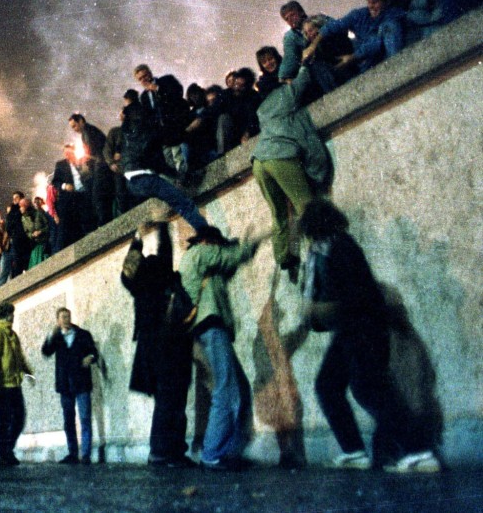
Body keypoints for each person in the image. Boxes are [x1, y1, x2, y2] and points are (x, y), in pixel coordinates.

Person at [300, 199, 441, 473]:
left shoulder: (340, 247)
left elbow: (356, 298)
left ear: (315, 224)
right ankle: (354, 451)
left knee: (369, 389)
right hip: (349, 330)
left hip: (364, 328)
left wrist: (319, 308)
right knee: (328, 385)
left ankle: (418, 451)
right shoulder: (324, 250)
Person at [179, 226, 267, 471]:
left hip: (212, 330)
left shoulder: (206, 265)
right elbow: (230, 257)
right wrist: (253, 242)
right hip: (211, 328)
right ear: (209, 241)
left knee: (240, 388)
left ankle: (231, 450)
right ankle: (212, 453)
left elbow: (229, 265)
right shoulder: (200, 252)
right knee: (226, 390)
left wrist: (243, 249)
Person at [121, 222, 196, 468]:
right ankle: (166, 452)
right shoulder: (162, 276)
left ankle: (166, 451)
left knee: (167, 401)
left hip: (150, 346)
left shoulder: (137, 284)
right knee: (173, 400)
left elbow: (128, 269)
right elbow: (166, 251)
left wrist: (137, 240)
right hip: (170, 343)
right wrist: (162, 226)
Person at [251, 64, 333, 279]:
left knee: (278, 213)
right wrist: (305, 63)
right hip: (280, 156)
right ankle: (321, 252)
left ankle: (285, 257)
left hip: (259, 162)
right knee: (305, 205)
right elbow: (304, 79)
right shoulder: (284, 94)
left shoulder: (261, 110)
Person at [122, 66, 208, 233]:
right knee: (169, 160)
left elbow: (177, 94)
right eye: (140, 78)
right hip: (159, 137)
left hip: (174, 127)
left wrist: (158, 89)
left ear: (150, 73)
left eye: (145, 75)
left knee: (180, 156)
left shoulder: (166, 81)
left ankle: (185, 181)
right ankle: (180, 183)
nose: (144, 79)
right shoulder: (144, 98)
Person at [303, 0, 405, 74]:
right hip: (365, 61)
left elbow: (375, 43)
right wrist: (313, 45)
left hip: (383, 56)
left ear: (386, 2)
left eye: (375, 2)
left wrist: (353, 57)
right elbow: (335, 25)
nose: (371, 6)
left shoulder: (393, 15)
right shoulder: (360, 14)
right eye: (369, 2)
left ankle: (396, 68)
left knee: (390, 27)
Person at [41, 308, 98, 465]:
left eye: (68, 316)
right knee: (68, 420)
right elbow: (46, 352)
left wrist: (90, 357)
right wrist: (51, 335)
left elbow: (94, 352)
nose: (66, 319)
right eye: (63, 317)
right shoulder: (57, 338)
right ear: (58, 320)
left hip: (82, 383)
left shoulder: (83, 334)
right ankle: (72, 453)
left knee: (85, 418)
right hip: (65, 385)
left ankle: (85, 454)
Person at [0, 301, 32, 468]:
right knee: (2, 421)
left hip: (14, 384)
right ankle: (2, 455)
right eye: (11, 313)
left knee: (18, 418)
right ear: (5, 315)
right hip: (2, 386)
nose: (13, 316)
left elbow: (19, 358)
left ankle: (7, 450)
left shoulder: (13, 335)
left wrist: (28, 373)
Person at [68, 114, 114, 226]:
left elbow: (92, 151)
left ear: (81, 121)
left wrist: (86, 160)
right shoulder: (88, 131)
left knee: (98, 197)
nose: (74, 129)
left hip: (101, 166)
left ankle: (106, 224)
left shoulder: (88, 132)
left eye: (75, 126)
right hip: (100, 166)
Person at [52, 143, 96, 249]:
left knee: (86, 220)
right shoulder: (61, 164)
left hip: (83, 195)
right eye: (65, 153)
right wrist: (64, 186)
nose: (67, 155)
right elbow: (55, 181)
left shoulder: (81, 161)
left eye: (69, 152)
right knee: (66, 227)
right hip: (68, 200)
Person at [20, 197, 49, 269]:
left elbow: (48, 226)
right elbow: (27, 233)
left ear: (26, 206)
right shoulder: (24, 219)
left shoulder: (38, 213)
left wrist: (40, 231)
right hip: (35, 245)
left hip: (44, 243)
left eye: (21, 206)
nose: (20, 209)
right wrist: (32, 235)